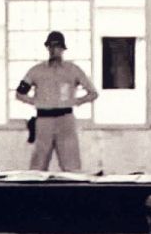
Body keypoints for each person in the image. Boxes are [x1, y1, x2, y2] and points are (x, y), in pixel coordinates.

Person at [14, 31, 99, 172]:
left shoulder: (73, 70)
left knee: (71, 165)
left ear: (63, 48)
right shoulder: (36, 71)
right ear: (47, 48)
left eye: (58, 46)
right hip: (44, 120)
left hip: (65, 120)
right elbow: (19, 93)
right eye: (51, 46)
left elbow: (93, 93)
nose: (54, 50)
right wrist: (35, 101)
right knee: (38, 166)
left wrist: (76, 101)